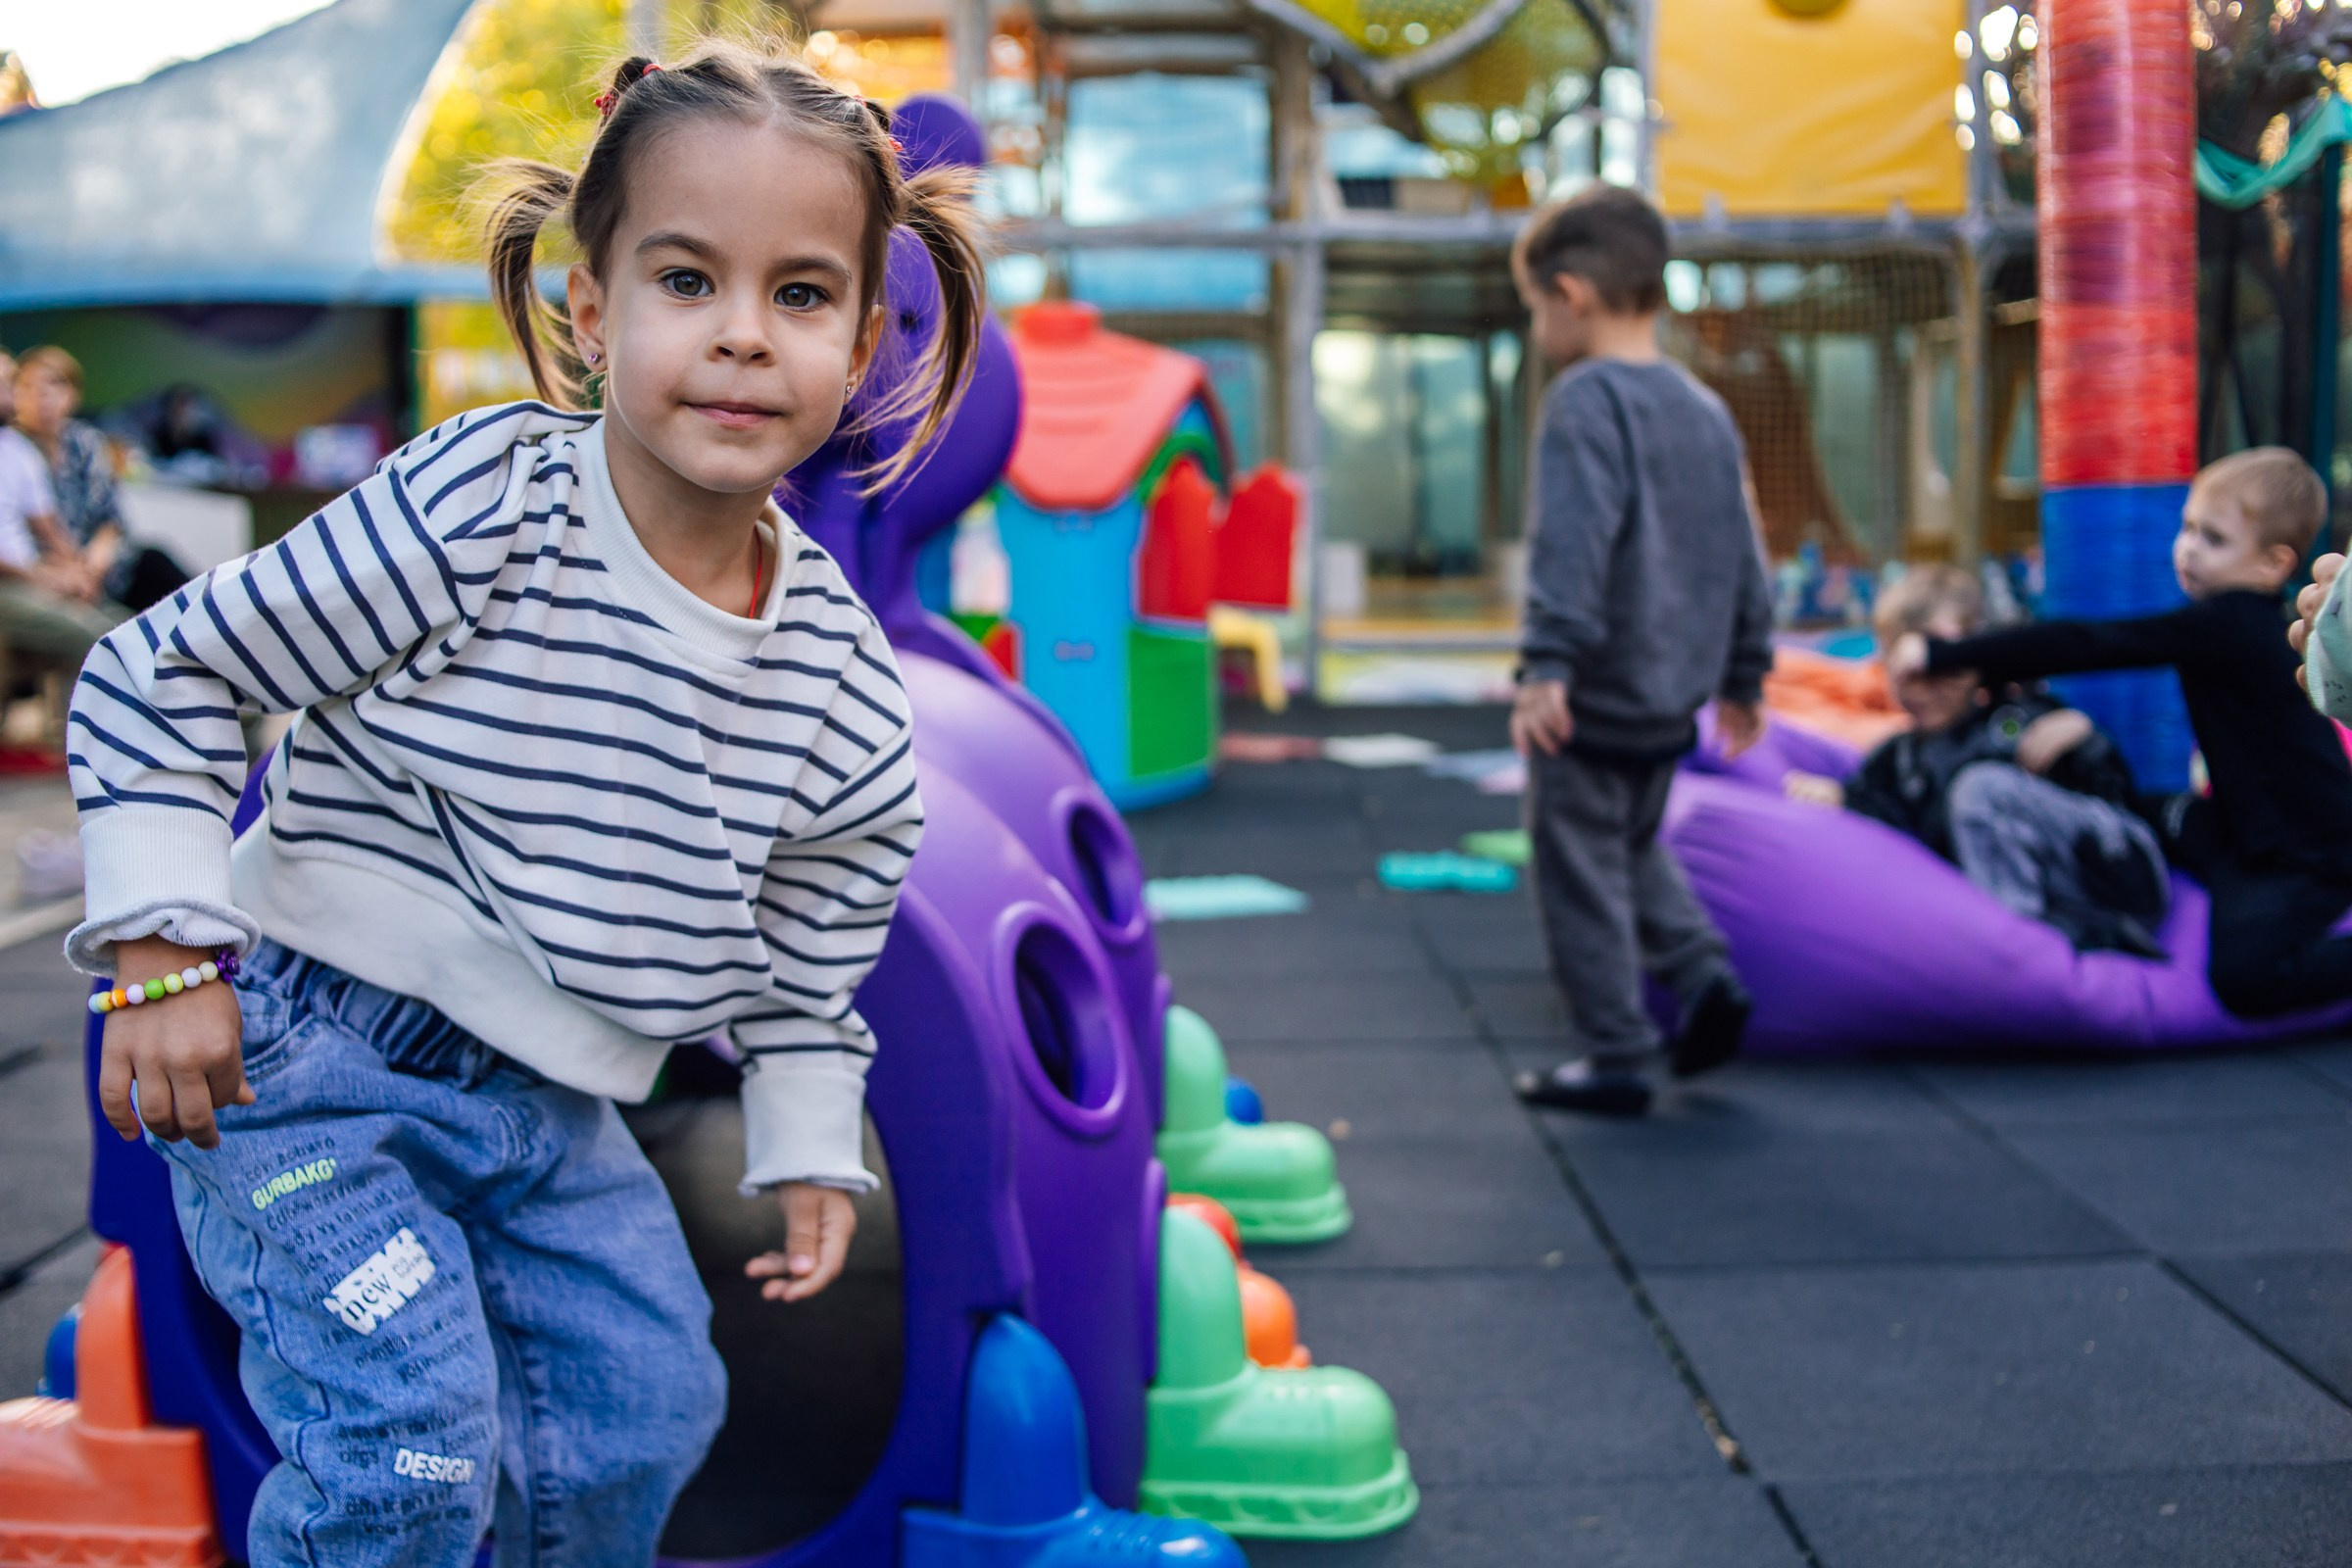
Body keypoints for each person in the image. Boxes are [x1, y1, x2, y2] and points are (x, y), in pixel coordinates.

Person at [66, 41, 983, 1568]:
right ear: (591, 308)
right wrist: (164, 957)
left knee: (649, 1407)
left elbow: (816, 932)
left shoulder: (835, 675)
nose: (743, 334)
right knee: (411, 1442)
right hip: (303, 1058)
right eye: (685, 280)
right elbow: (167, 671)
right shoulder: (487, 507)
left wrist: (810, 1134)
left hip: (551, 1106)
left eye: (801, 294)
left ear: (866, 338)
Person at [1894, 447, 2352, 1015]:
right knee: (2138, 812)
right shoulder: (2224, 622)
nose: (2187, 548)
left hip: (2308, 851)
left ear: (2272, 566)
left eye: (2213, 539)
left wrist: (1945, 653)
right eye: (2187, 527)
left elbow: (2093, 644)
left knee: (2245, 980)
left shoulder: (2233, 623)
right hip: (2238, 824)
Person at [1505, 186, 1772, 1118]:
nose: (1538, 328)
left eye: (1535, 308)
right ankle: (1702, 976)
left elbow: (1571, 544)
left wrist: (1546, 665)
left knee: (1577, 867)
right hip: (1670, 702)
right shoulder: (1704, 409)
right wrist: (1745, 673)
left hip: (1595, 697)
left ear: (1571, 296)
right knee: (1631, 843)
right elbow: (1745, 551)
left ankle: (1615, 1052)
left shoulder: (1587, 401)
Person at [1787, 564, 2167, 955]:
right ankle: (2047, 934)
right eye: (1908, 674)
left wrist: (2087, 739)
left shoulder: (2013, 719)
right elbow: (1887, 813)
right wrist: (1840, 800)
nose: (1925, 688)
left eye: (1942, 667)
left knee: (1980, 789)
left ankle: (2020, 951)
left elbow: (2113, 805)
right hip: (2050, 900)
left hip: (2115, 879)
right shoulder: (1898, 759)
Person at [13, 346, 191, 612]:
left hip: (99, 565)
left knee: (157, 567)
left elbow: (111, 519)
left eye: (53, 385)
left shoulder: (85, 441)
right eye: (29, 386)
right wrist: (72, 568)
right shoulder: (12, 449)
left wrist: (95, 562)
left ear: (73, 394)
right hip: (48, 568)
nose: (42, 396)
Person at [0, 347, 121, 671]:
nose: (16, 394)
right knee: (98, 640)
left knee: (125, 625)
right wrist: (44, 576)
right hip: (13, 583)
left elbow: (51, 530)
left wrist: (77, 574)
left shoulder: (16, 449)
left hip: (30, 577)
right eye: (9, 384)